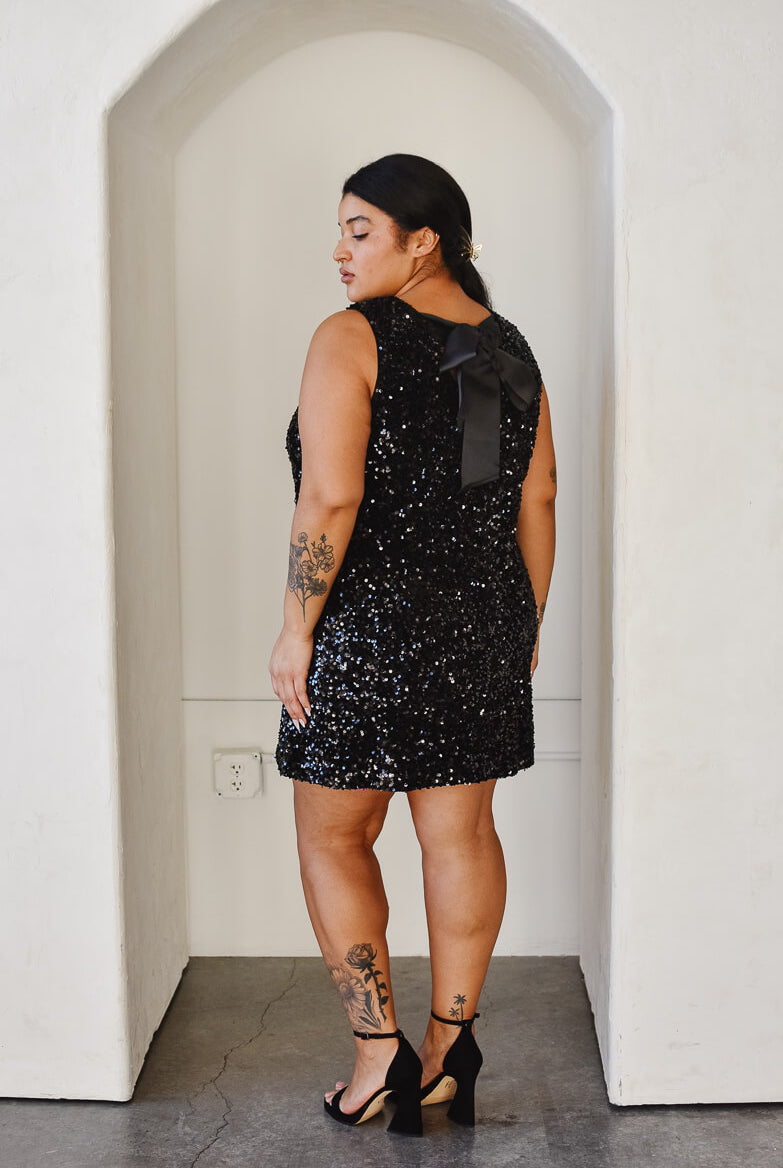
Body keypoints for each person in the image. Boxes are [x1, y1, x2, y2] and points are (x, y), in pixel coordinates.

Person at [268, 153, 556, 1137]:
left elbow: (331, 495)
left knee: (333, 836)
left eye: (359, 230)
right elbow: (536, 496)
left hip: (367, 628)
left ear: (421, 239)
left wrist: (296, 629)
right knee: (460, 836)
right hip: (483, 624)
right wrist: (522, 627)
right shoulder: (506, 347)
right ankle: (449, 1051)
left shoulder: (350, 336)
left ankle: (376, 1054)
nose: (340, 251)